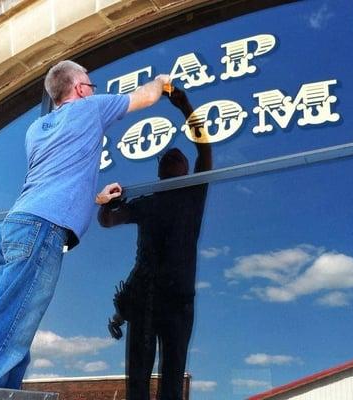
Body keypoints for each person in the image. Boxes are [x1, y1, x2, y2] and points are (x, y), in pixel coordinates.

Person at [0, 60, 171, 389]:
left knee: (15, 327)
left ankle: (1, 393)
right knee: (9, 328)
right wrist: (160, 80)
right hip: (41, 228)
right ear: (81, 89)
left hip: (18, 227)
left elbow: (56, 179)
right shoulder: (89, 109)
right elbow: (146, 97)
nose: (92, 90)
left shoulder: (36, 130)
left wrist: (96, 198)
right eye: (90, 84)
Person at [98, 88, 212, 400]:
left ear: (186, 171)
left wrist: (186, 107)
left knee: (172, 382)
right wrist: (107, 203)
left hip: (177, 301)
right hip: (145, 300)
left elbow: (205, 151)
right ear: (160, 172)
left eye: (179, 157)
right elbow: (107, 221)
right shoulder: (148, 203)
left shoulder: (192, 197)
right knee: (137, 380)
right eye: (167, 158)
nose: (173, 157)